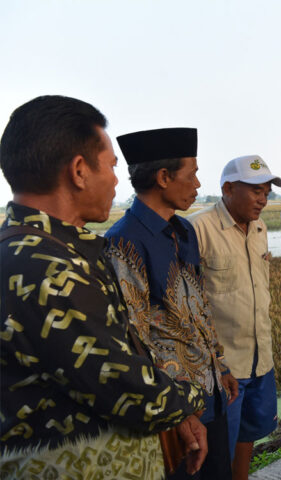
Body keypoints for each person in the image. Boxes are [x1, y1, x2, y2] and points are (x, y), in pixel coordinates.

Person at [0, 95, 207, 478]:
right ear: (79, 171)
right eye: (111, 166)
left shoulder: (45, 250)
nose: (117, 179)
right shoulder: (46, 267)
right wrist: (190, 398)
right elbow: (127, 388)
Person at [104, 127, 238, 479]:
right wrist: (174, 411)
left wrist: (219, 365)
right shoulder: (122, 242)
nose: (197, 184)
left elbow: (198, 306)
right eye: (191, 174)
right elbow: (134, 338)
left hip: (211, 396)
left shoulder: (184, 230)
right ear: (163, 177)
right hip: (174, 412)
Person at [188, 155, 281, 480]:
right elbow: (187, 303)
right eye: (256, 190)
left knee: (247, 436)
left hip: (261, 360)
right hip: (223, 368)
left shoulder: (259, 227)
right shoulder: (197, 229)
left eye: (267, 192)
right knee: (217, 451)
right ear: (228, 188)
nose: (263, 199)